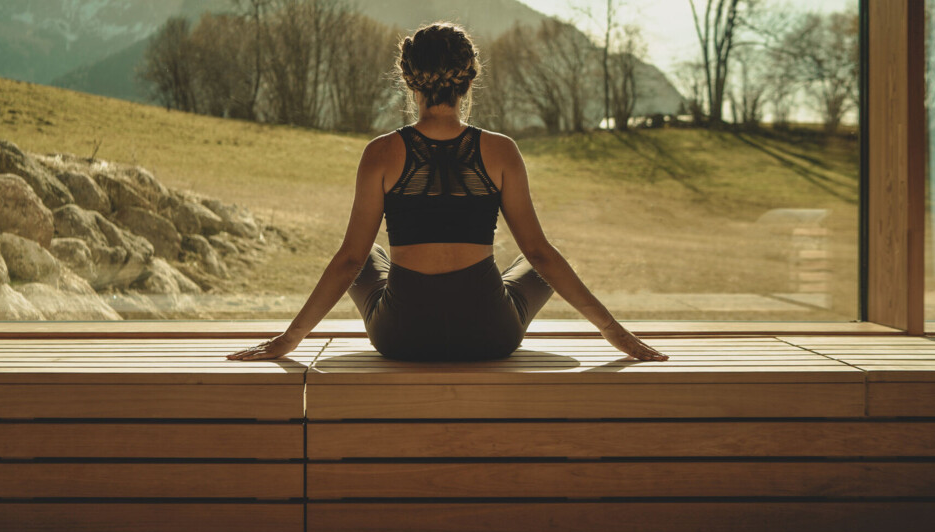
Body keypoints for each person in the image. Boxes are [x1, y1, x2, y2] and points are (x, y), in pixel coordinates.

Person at [228, 22, 667, 362]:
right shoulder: (501, 151)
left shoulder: (380, 154)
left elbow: (347, 262)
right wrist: (615, 333)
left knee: (365, 258)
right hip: (489, 334)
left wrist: (288, 340)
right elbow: (540, 253)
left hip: (402, 336)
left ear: (409, 81)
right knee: (535, 263)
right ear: (468, 82)